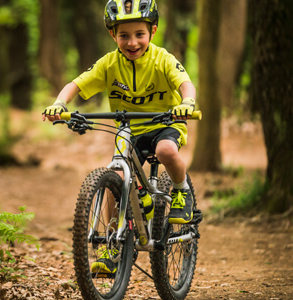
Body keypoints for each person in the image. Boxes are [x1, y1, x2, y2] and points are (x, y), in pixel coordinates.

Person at [42, 0, 197, 275]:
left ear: (153, 31)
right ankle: (112, 246)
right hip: (129, 130)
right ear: (113, 35)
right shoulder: (109, 63)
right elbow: (75, 84)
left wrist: (187, 102)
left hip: (165, 124)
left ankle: (182, 189)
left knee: (165, 152)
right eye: (124, 35)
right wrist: (59, 103)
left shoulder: (163, 59)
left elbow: (186, 83)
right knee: (118, 173)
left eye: (139, 34)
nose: (132, 42)